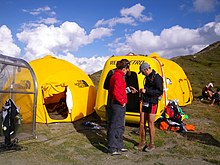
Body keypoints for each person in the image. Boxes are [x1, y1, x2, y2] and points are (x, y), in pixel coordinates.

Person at [107, 59, 137, 156]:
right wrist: (122, 101)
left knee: (120, 125)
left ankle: (119, 145)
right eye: (128, 68)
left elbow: (120, 90)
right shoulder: (118, 77)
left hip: (118, 104)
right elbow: (116, 92)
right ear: (125, 68)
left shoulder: (117, 75)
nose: (128, 70)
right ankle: (112, 147)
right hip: (118, 105)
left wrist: (128, 90)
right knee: (115, 125)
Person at [138, 62, 163, 152]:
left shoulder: (157, 78)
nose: (143, 74)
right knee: (142, 122)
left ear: (146, 69)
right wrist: (142, 92)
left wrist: (146, 91)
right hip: (145, 101)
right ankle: (142, 142)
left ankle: (152, 144)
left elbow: (159, 91)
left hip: (152, 102)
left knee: (151, 123)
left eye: (143, 72)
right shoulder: (147, 77)